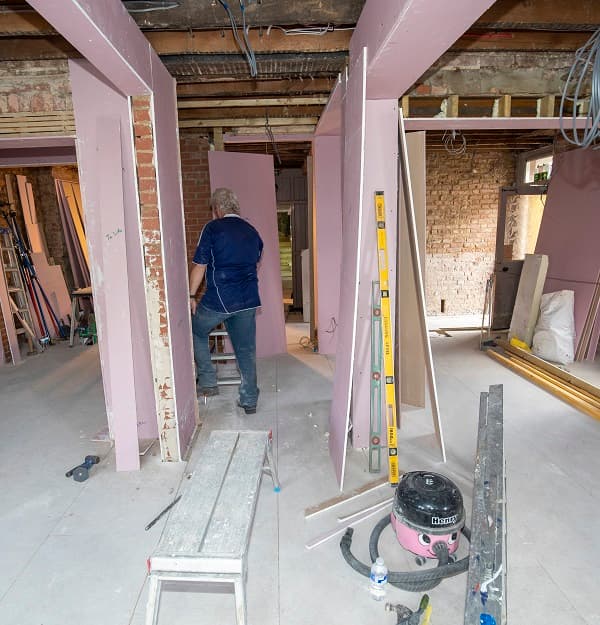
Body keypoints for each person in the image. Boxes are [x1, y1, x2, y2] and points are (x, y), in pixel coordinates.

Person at [189, 188, 263, 414]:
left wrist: (191, 295)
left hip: (220, 300)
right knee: (246, 349)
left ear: (218, 209)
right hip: (248, 300)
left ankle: (209, 383)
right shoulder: (252, 231)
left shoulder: (212, 229)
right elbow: (255, 263)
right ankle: (249, 400)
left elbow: (200, 265)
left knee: (196, 331)